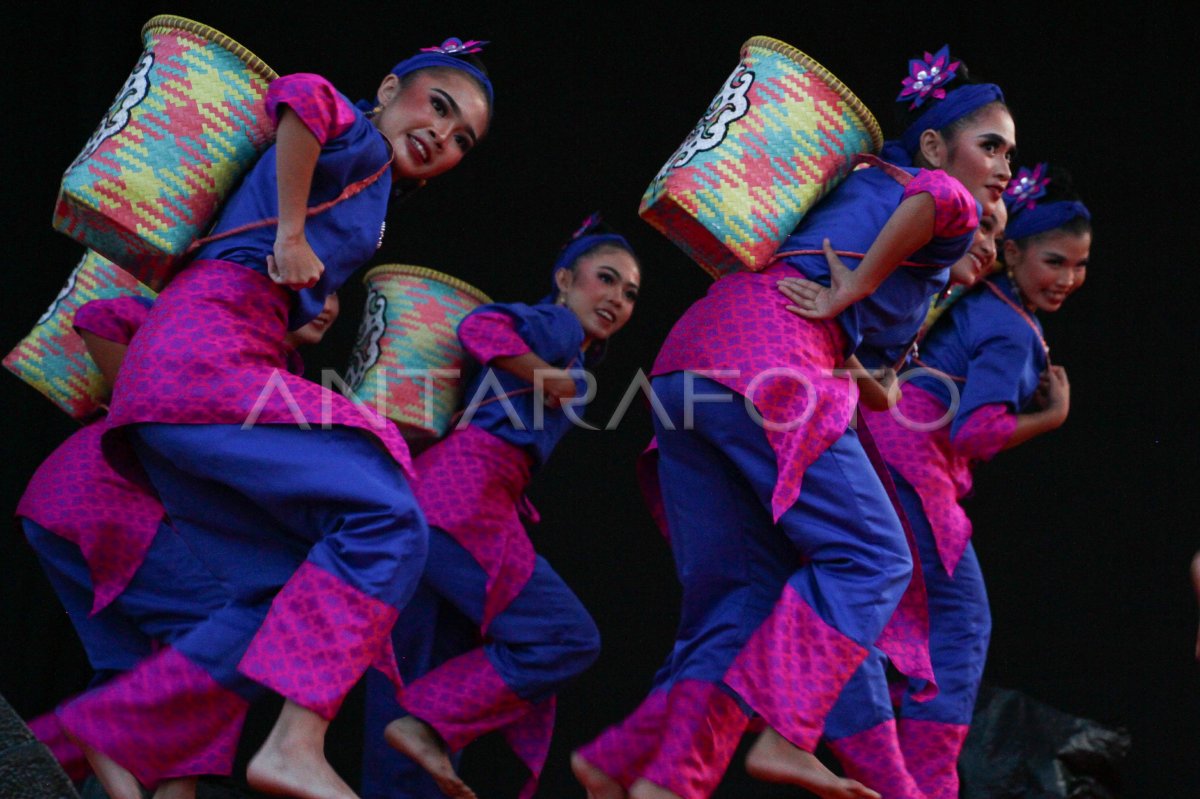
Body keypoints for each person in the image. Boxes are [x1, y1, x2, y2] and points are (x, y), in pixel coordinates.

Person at [52, 38, 493, 799]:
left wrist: (296, 307)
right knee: (389, 512)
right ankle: (294, 744)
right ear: (389, 88)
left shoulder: (372, 186)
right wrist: (289, 236)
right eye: (438, 107)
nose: (443, 138)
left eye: (463, 140)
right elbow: (303, 99)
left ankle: (118, 732)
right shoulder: (356, 132)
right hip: (205, 361)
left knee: (282, 590)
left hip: (197, 376)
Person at [573, 45, 1014, 799]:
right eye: (993, 147)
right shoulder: (939, 195)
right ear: (939, 146)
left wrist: (864, 330)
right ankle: (785, 730)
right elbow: (937, 207)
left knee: (739, 602)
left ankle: (641, 766)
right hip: (770, 357)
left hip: (692, 362)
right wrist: (856, 291)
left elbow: (865, 376)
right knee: (875, 557)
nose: (999, 188)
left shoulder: (873, 210)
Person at [20, 294, 340, 799]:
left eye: (335, 289)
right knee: (211, 628)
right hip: (103, 489)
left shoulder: (282, 373)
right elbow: (101, 315)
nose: (326, 304)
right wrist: (144, 412)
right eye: (314, 287)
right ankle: (172, 790)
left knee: (132, 664)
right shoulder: (222, 324)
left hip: (62, 503)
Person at [363, 216, 638, 799]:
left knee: (410, 666)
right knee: (563, 637)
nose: (616, 298)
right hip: (464, 499)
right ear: (564, 278)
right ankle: (427, 720)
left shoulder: (572, 352)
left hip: (442, 502)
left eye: (630, 293)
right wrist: (546, 375)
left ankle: (414, 733)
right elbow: (481, 326)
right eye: (605, 279)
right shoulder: (556, 326)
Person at [843, 163, 1087, 798]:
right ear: (1013, 254)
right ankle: (926, 785)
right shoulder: (1012, 327)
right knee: (960, 624)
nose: (1068, 279)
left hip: (881, 448)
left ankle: (883, 769)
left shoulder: (978, 300)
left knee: (904, 622)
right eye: (1055, 262)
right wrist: (1052, 417)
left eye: (1079, 266)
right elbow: (976, 433)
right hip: (914, 462)